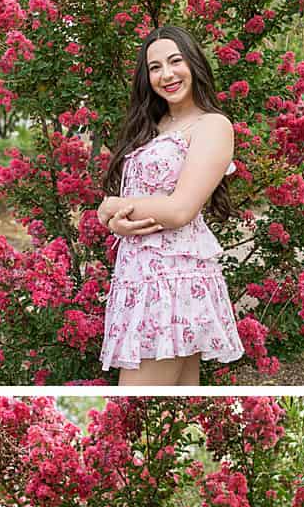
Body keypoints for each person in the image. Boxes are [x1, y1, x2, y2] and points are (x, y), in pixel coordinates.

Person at [95, 25, 244, 386]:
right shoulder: (154, 125)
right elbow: (137, 200)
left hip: (173, 283)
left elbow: (181, 209)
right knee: (173, 400)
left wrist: (115, 206)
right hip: (140, 278)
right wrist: (110, 218)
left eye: (175, 61)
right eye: (155, 67)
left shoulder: (212, 125)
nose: (167, 74)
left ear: (194, 64)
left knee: (138, 399)